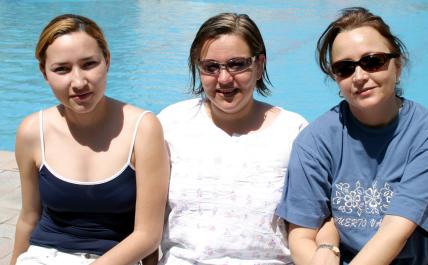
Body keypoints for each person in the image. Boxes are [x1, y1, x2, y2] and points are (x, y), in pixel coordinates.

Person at [10, 14, 170, 265]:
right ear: (44, 72)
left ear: (107, 61)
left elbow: (148, 235)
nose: (78, 82)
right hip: (43, 257)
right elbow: (29, 218)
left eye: (88, 64)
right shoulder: (32, 131)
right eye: (62, 69)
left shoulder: (143, 128)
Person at [276, 7, 428, 265]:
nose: (359, 76)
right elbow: (302, 234)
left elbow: (395, 230)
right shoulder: (315, 140)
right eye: (345, 68)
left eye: (373, 61)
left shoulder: (423, 133)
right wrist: (325, 246)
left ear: (398, 65)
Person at [156, 12, 309, 264]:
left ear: (259, 65)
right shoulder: (171, 124)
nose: (224, 78)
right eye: (211, 67)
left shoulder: (294, 131)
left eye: (237, 64)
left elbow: (307, 223)